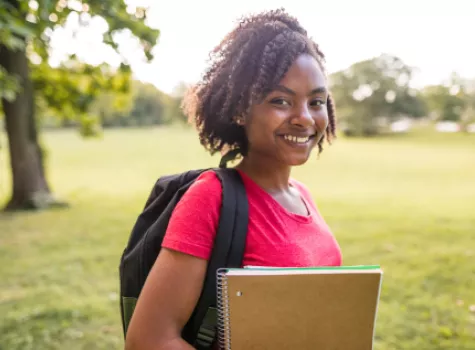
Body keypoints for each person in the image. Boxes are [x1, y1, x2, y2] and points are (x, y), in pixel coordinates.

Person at [124, 8, 342, 350]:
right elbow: (149, 340)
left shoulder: (302, 195)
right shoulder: (211, 197)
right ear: (240, 110)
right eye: (280, 101)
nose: (304, 118)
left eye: (316, 101)